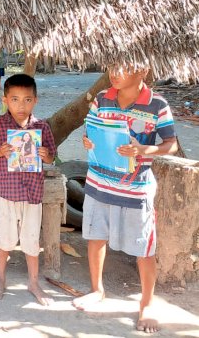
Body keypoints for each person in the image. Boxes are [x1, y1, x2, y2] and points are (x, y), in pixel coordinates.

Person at [74, 66, 177, 333]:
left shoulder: (157, 105)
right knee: (96, 236)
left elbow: (171, 144)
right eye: (112, 66)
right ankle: (97, 290)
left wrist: (144, 149)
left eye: (123, 67)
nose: (114, 73)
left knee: (144, 248)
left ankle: (147, 303)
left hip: (135, 188)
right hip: (98, 180)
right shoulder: (102, 98)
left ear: (142, 70)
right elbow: (90, 128)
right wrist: (87, 141)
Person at [0, 73, 56, 306]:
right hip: (6, 192)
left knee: (32, 240)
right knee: (5, 238)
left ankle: (33, 282)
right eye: (14, 99)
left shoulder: (41, 127)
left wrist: (46, 155)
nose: (20, 105)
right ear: (5, 100)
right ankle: (0, 278)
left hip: (33, 193)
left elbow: (52, 157)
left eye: (26, 100)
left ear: (35, 100)